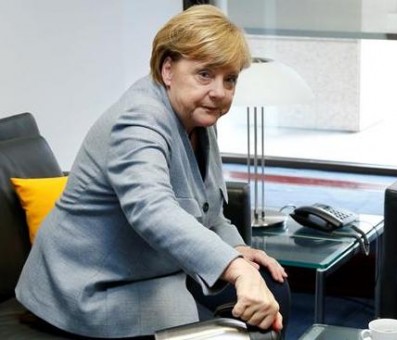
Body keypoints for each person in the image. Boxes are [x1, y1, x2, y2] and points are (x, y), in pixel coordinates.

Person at [15, 5, 290, 339]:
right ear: (168, 69)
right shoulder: (138, 120)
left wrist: (237, 251)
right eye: (205, 74)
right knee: (196, 317)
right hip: (91, 287)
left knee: (275, 288)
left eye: (229, 79)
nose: (219, 92)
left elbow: (208, 211)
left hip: (152, 269)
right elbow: (151, 209)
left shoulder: (199, 115)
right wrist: (235, 270)